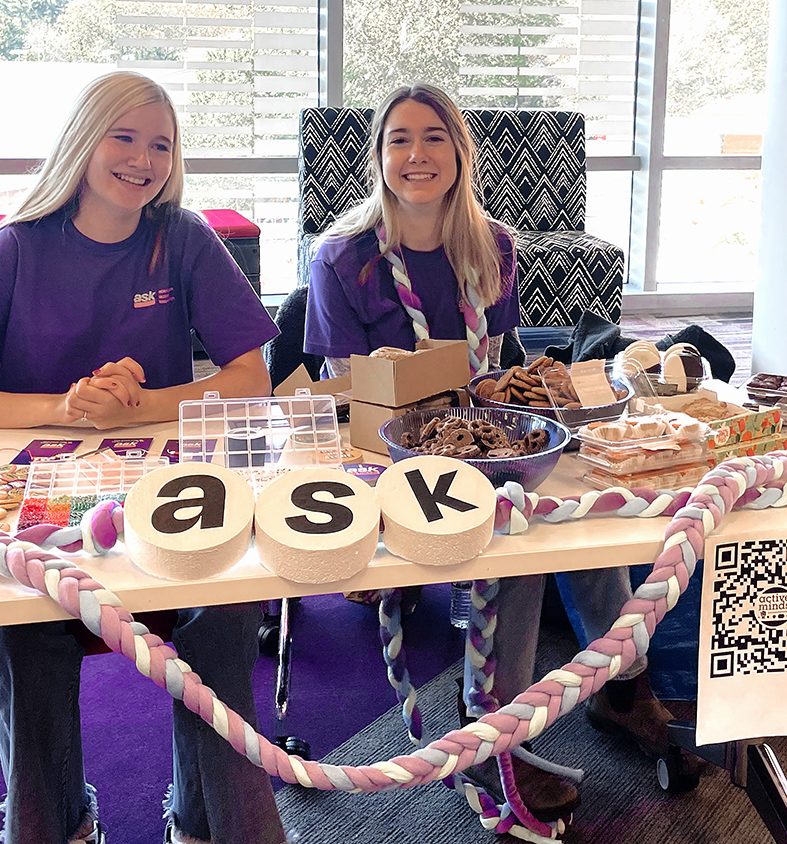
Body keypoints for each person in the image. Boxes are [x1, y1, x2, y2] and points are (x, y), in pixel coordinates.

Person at [0, 71, 287, 844]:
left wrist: (139, 404)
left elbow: (252, 376)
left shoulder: (183, 238)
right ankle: (55, 826)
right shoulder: (14, 248)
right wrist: (66, 409)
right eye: (125, 137)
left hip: (169, 500)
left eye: (161, 144)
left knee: (226, 608)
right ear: (83, 140)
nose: (143, 159)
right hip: (43, 507)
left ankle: (206, 823)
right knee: (22, 633)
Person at [303, 83, 675, 825]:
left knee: (572, 507)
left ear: (460, 152)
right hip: (389, 450)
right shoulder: (343, 257)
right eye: (399, 139)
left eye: (434, 137)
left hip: (480, 433)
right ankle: (500, 736)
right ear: (378, 156)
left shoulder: (494, 246)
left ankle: (621, 686)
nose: (416, 154)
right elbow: (336, 391)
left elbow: (492, 369)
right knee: (519, 532)